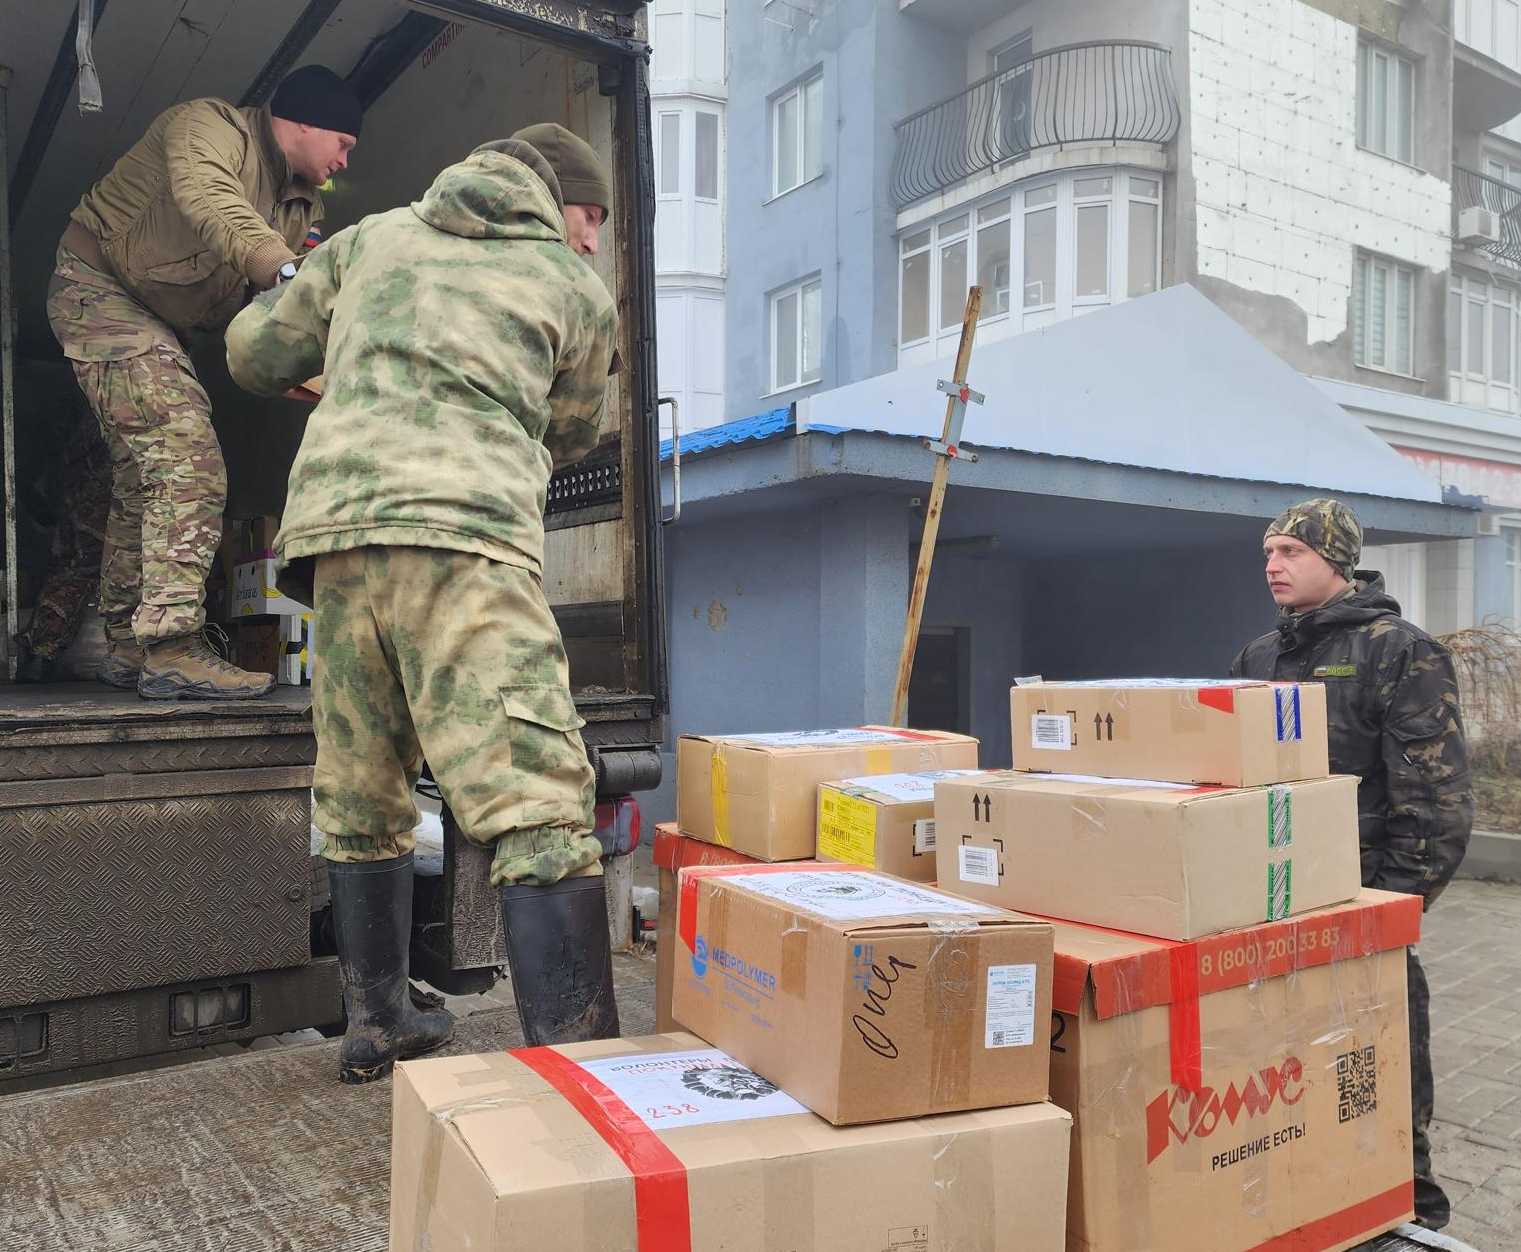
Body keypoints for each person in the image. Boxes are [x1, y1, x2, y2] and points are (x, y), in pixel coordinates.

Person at [223, 123, 619, 1083]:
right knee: (533, 796)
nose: (596, 238)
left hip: (339, 543)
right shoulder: (573, 289)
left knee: (361, 787)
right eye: (591, 215)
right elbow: (573, 429)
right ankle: (584, 1077)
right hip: (468, 540)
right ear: (555, 200)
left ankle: (379, 1020)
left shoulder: (369, 242)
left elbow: (249, 353)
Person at [46, 65, 361, 699]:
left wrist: (320, 375)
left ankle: (130, 646)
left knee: (143, 479)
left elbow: (269, 311)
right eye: (344, 144)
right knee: (188, 457)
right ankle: (170, 644)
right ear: (306, 120)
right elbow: (212, 203)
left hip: (164, 327)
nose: (344, 162)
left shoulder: (304, 204)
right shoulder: (207, 127)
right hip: (99, 289)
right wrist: (286, 267)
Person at [1231, 498, 1473, 1230]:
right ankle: (1316, 1200)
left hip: (1361, 908)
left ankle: (1409, 1218)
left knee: (1381, 1075)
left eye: (1291, 552)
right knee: (1289, 1071)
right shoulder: (1258, 657)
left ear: (1334, 560)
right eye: (1268, 552)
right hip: (1275, 905)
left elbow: (1436, 801)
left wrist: (1387, 909)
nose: (1273, 565)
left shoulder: (1399, 650)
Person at [13, 405, 112, 683]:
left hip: (79, 501)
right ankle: (40, 657)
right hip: (98, 503)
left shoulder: (76, 437)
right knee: (84, 571)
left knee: (73, 571)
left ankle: (39, 657)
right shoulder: (103, 420)